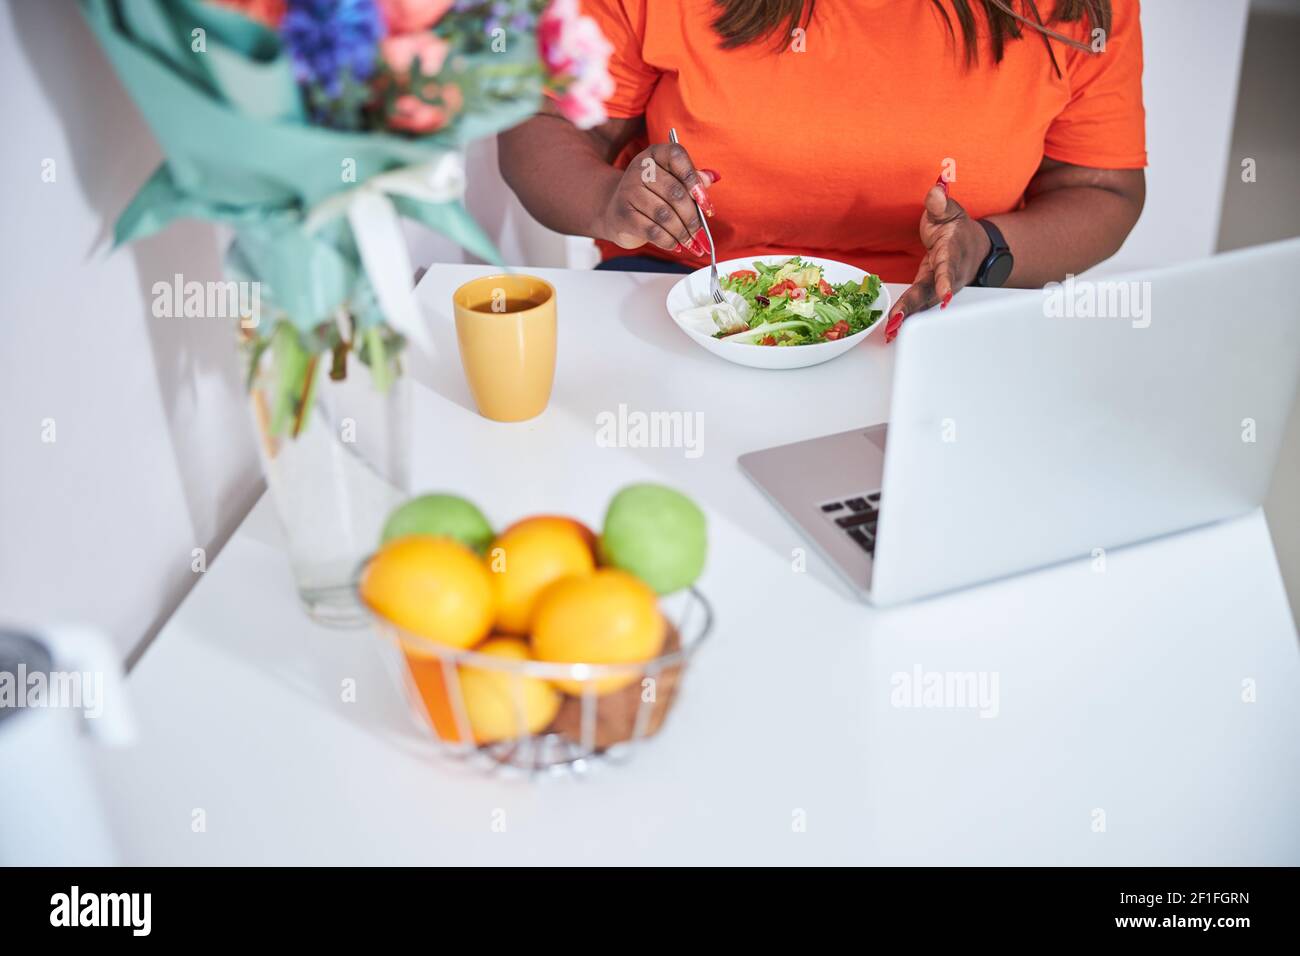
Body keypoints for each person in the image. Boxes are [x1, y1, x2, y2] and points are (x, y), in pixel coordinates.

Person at [499, 0, 1146, 342]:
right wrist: (611, 197)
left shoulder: (1077, 10)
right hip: (685, 304)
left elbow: (1101, 187)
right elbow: (541, 123)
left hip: (939, 321)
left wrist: (990, 250)